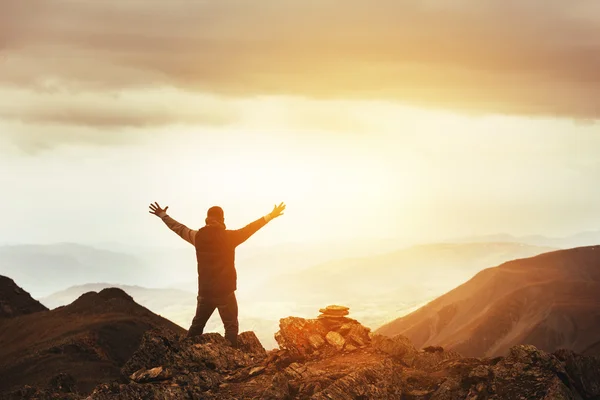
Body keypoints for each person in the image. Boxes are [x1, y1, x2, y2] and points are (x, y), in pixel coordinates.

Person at [148, 201, 286, 347]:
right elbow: (250, 228)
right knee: (231, 326)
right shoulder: (230, 237)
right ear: (222, 219)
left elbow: (178, 228)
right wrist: (270, 215)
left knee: (197, 326)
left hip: (205, 292)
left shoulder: (197, 237)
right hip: (225, 292)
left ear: (207, 218)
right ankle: (231, 357)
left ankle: (183, 354)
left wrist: (162, 214)